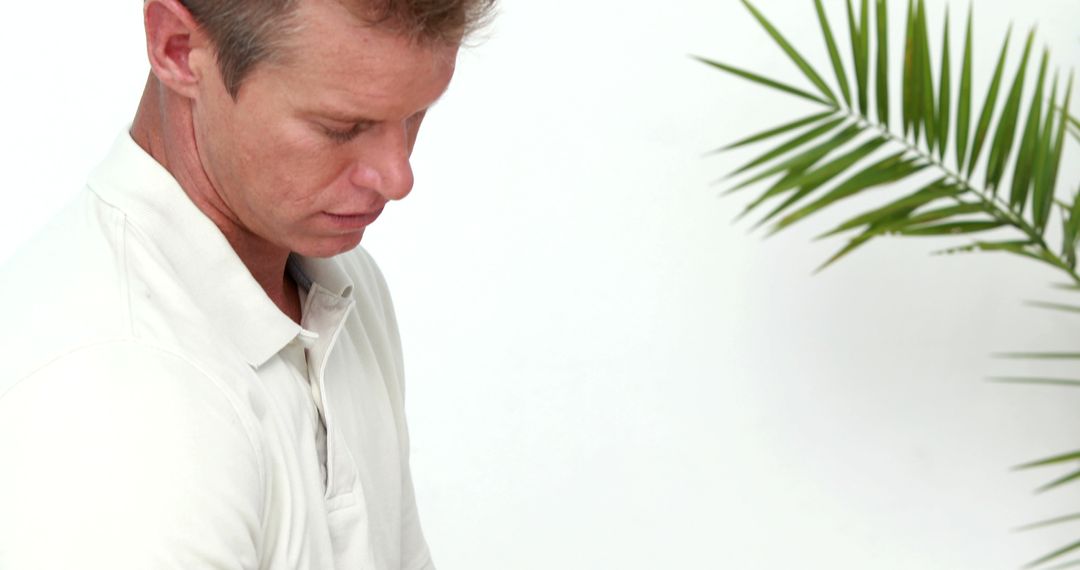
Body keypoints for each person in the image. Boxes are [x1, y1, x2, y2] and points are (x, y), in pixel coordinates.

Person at [0, 0, 492, 567]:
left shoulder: (341, 286)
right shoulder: (110, 402)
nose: (398, 175)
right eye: (341, 128)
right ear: (178, 49)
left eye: (414, 115)